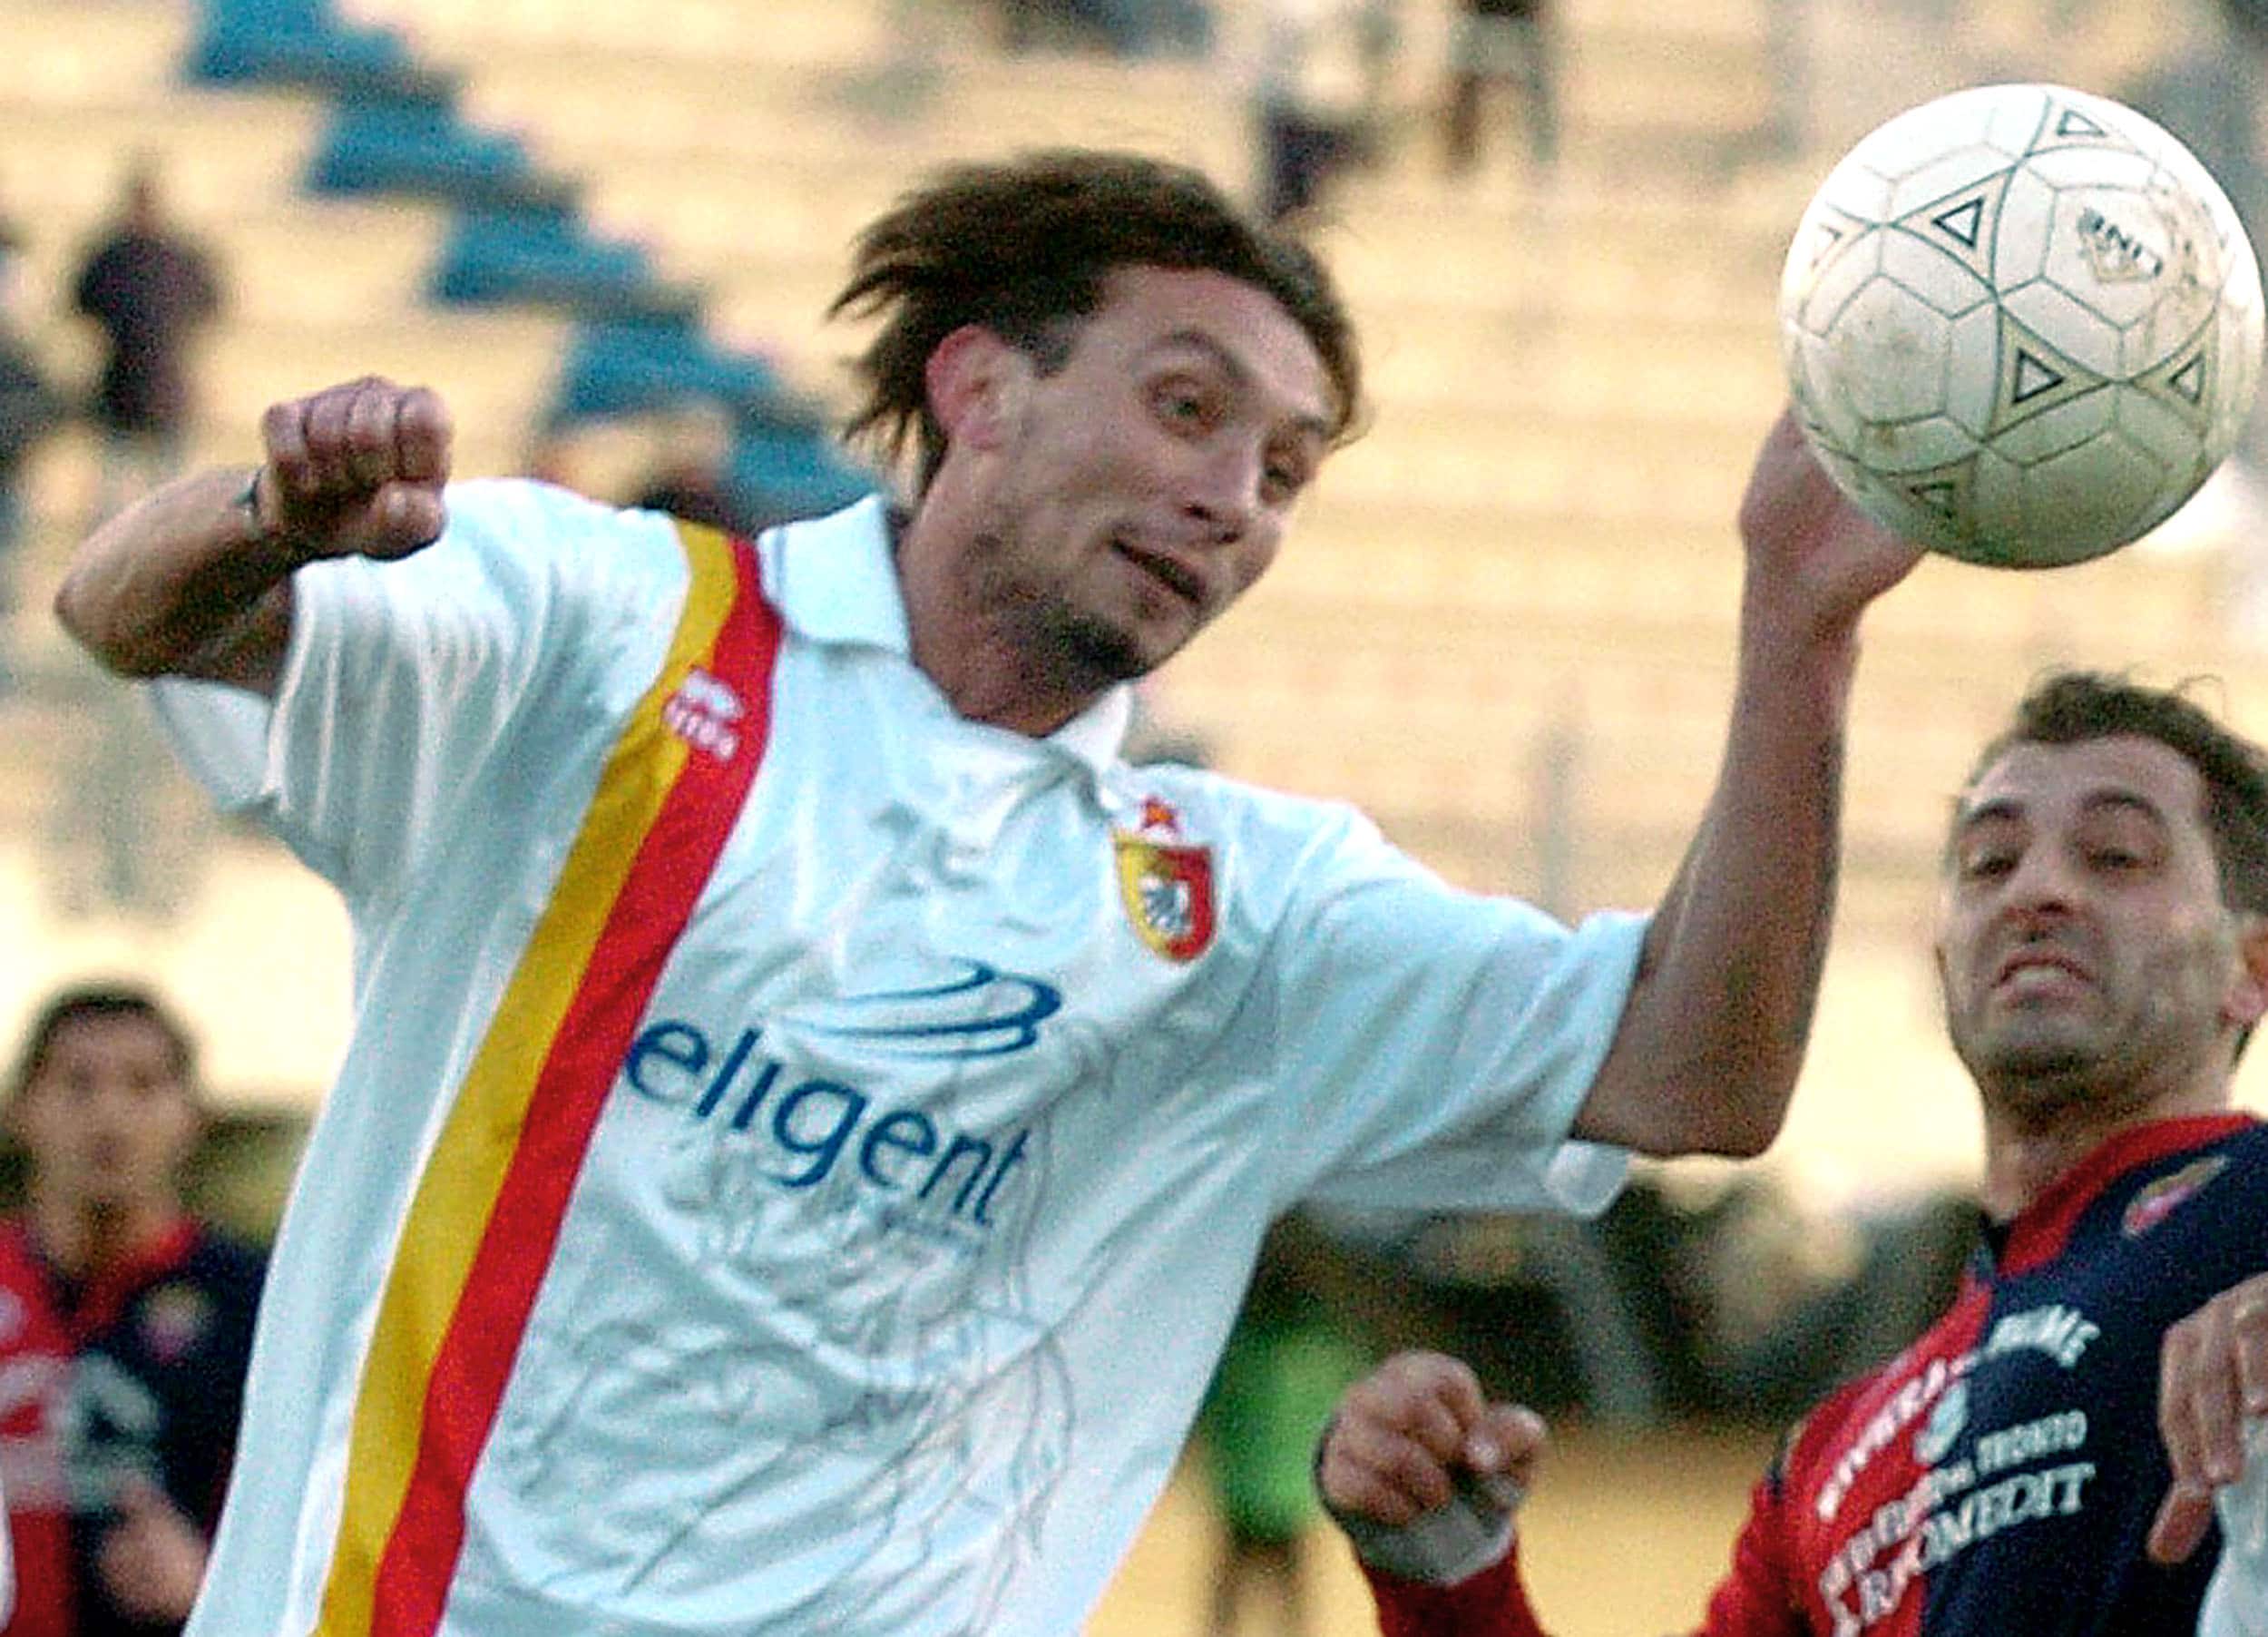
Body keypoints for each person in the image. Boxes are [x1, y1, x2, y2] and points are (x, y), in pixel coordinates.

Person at [51, 149, 1919, 1634]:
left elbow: (1697, 1075)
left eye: (1280, 470)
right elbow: (126, 608)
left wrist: (1796, 632)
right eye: (1187, 409)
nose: (1233, 501)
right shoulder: (611, 628)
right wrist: (269, 514)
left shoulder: (1234, 909)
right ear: (978, 389)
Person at [1317, 670, 2268, 1634]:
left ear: (2251, 967)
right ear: (1940, 958)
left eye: (2115, 856)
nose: (2039, 890)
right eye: (1989, 862)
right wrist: (1449, 1579)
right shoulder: (1831, 1461)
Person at [0, 985, 265, 1637]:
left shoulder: (253, 1301)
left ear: (191, 1116)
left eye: (143, 1086)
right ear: (21, 1109)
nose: (110, 1117)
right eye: (78, 1085)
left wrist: (215, 1582)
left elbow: (319, 1519)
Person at [68, 162, 222, 524]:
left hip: (162, 392)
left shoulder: (173, 258)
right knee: (114, 500)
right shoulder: (116, 257)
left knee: (165, 503)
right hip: (125, 392)